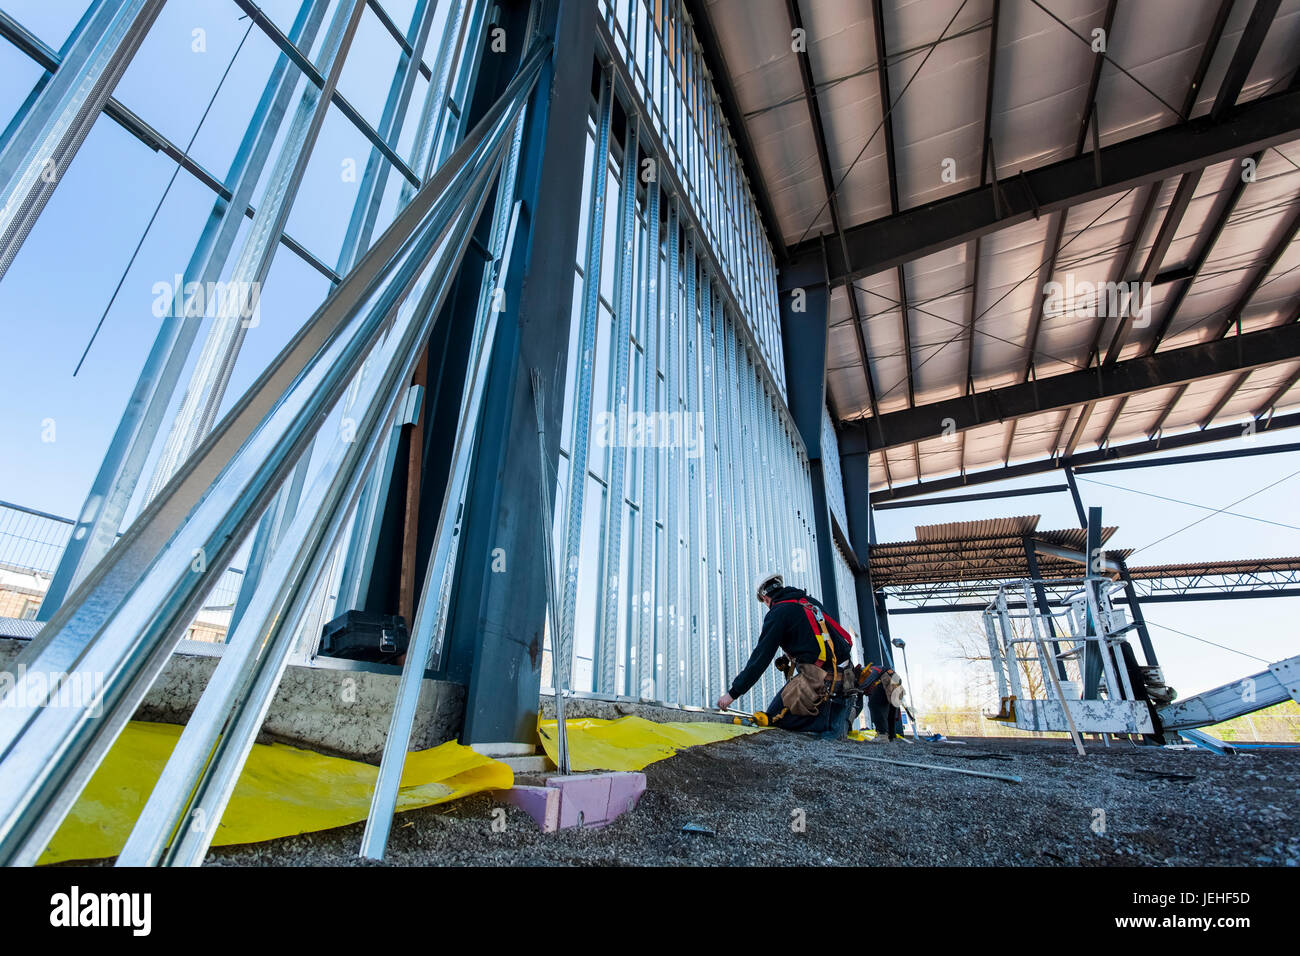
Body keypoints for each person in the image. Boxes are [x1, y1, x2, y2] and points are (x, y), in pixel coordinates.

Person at [716, 571, 856, 738]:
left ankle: (828, 723)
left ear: (765, 598)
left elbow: (760, 658)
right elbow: (826, 641)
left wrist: (733, 693)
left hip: (820, 679)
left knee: (774, 719)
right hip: (848, 677)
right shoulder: (810, 603)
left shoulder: (778, 613)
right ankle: (841, 716)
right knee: (783, 709)